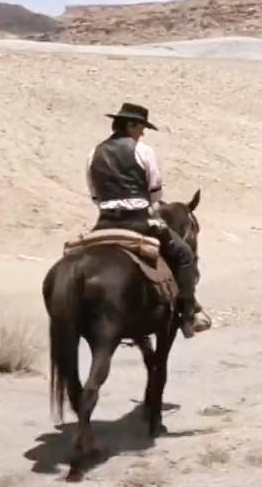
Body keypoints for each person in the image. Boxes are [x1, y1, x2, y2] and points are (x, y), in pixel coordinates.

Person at [86, 102, 201, 338]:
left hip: (104, 221)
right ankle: (188, 316)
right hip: (138, 220)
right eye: (141, 127)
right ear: (131, 124)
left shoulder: (94, 152)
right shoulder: (143, 151)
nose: (143, 133)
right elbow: (155, 192)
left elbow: (95, 193)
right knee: (185, 256)